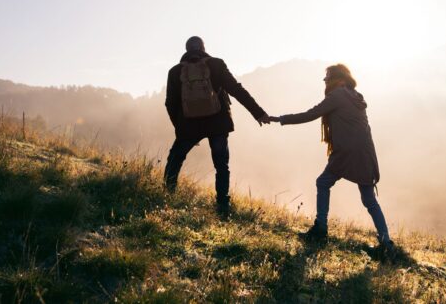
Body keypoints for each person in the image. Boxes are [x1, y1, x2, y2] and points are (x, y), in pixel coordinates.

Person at [269, 64, 392, 250]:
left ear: (338, 78)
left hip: (346, 152)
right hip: (365, 152)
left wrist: (281, 119)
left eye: (327, 78)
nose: (325, 81)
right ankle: (386, 243)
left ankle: (320, 230)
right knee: (368, 199)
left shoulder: (338, 95)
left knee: (323, 182)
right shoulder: (356, 96)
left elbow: (311, 114)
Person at [164, 36, 269, 219]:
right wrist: (258, 113)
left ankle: (166, 197)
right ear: (203, 48)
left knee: (175, 158)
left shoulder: (175, 71)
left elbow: (170, 104)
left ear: (186, 50)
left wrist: (180, 128)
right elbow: (237, 90)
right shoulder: (216, 64)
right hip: (218, 123)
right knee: (221, 165)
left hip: (189, 125)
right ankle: (222, 206)